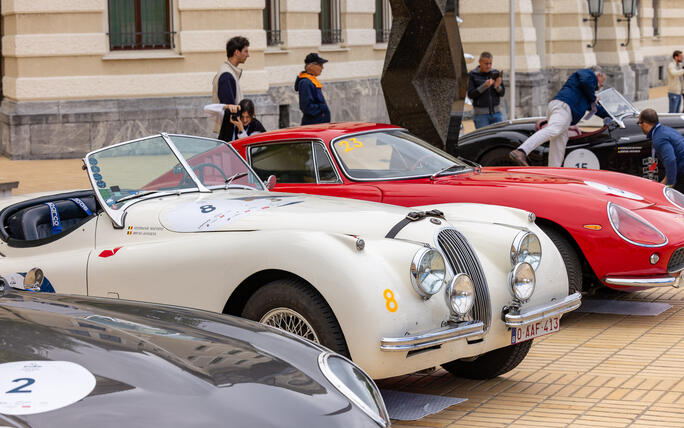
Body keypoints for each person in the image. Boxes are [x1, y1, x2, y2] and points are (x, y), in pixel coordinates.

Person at [509, 67, 610, 167]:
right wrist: (593, 97)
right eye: (602, 81)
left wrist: (612, 116)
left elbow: (597, 109)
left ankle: (553, 171)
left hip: (563, 109)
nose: (601, 85)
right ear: (598, 75)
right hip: (563, 107)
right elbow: (585, 81)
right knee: (554, 129)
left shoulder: (587, 93)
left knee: (558, 144)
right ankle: (521, 151)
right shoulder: (588, 74)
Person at [212, 36, 250, 142]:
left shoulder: (229, 72)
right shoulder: (227, 75)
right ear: (237, 52)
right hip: (230, 135)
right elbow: (230, 111)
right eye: (245, 51)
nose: (248, 55)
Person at [637, 108, 684, 192]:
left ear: (644, 124)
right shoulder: (665, 130)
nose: (639, 126)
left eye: (639, 123)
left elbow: (670, 160)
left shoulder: (659, 139)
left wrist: (670, 185)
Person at [467, 52, 505, 128]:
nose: (489, 66)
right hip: (481, 116)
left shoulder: (496, 73)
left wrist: (497, 87)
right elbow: (470, 94)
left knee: (499, 138)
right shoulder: (472, 75)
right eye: (486, 64)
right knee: (483, 139)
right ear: (480, 62)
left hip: (497, 114)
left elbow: (502, 93)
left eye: (490, 63)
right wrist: (484, 86)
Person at [295, 53, 331, 125]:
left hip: (319, 124)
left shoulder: (311, 80)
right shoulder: (305, 82)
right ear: (311, 66)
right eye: (320, 65)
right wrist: (322, 108)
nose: (322, 68)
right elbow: (307, 107)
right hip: (313, 125)